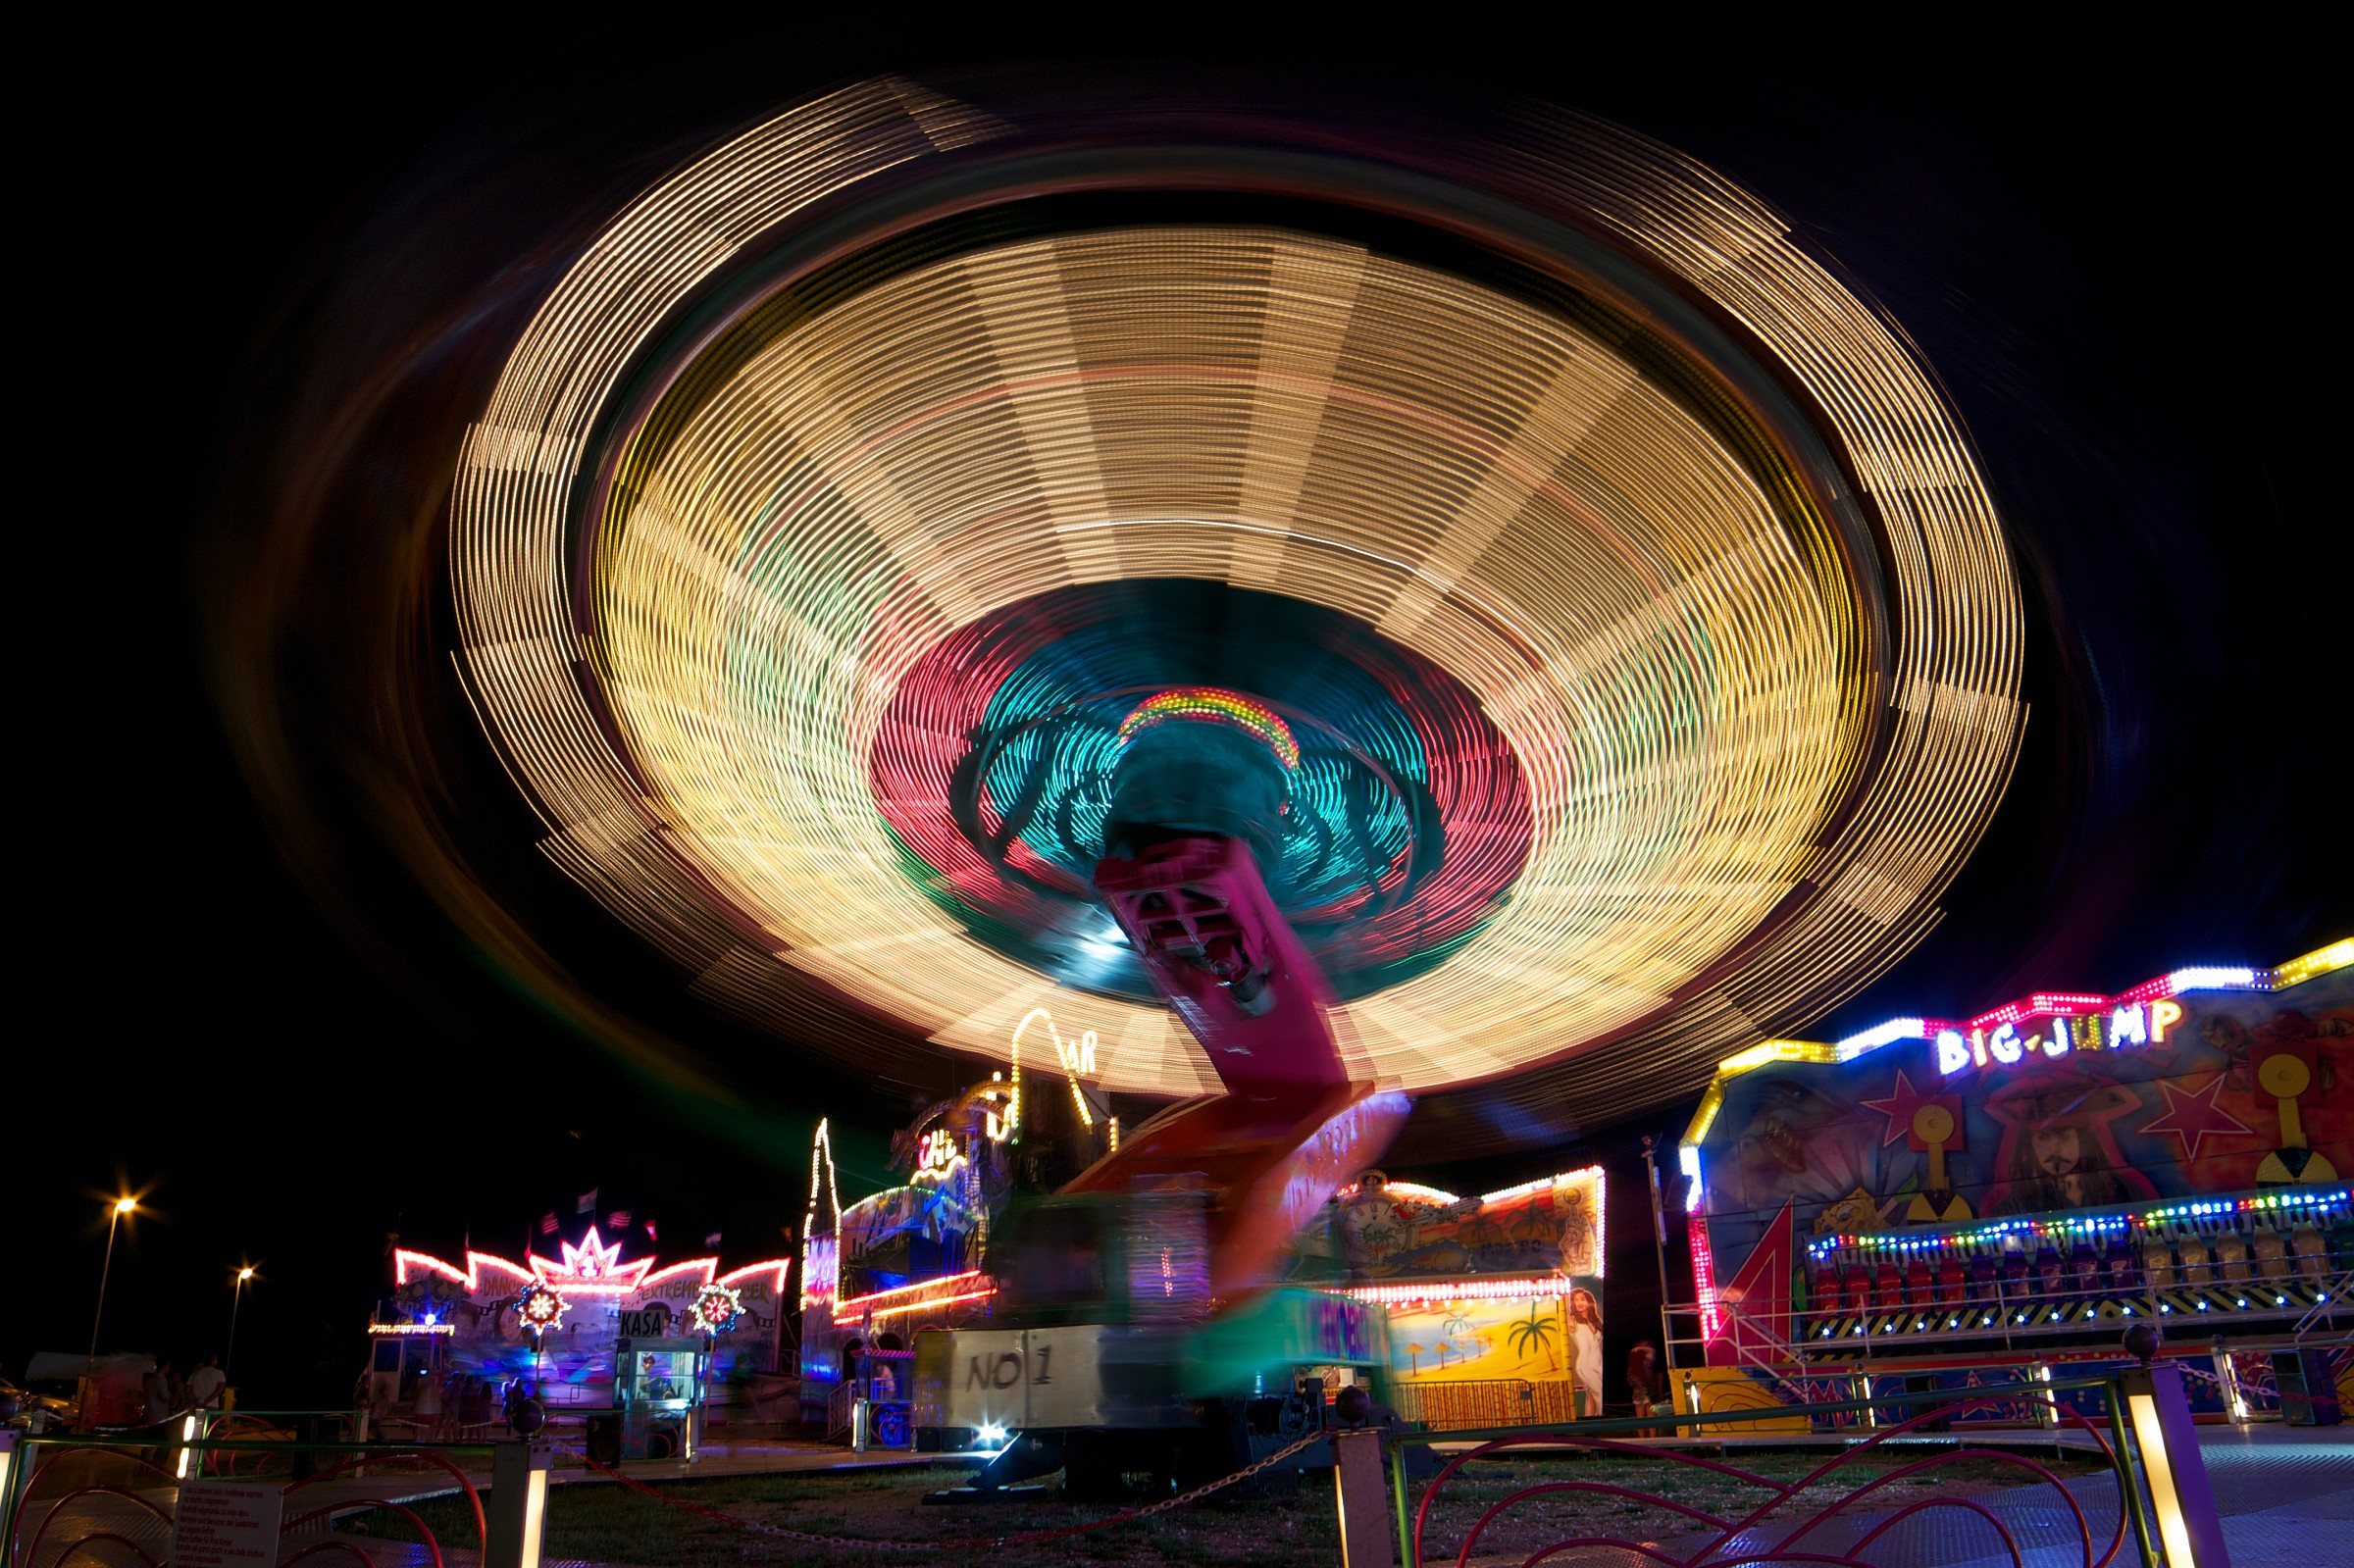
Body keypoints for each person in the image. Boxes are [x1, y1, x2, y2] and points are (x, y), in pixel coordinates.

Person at [1566, 1290, 1605, 1420]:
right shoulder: (1572, 1319)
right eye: (1576, 1300)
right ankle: (1603, 1422)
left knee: (1591, 1394)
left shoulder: (1596, 1321)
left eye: (1582, 1299)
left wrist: (1589, 1320)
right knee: (1599, 1391)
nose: (1579, 1303)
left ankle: (1589, 1421)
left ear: (1589, 1302)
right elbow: (1570, 1328)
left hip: (1597, 1361)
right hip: (1585, 1363)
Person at [142, 1359, 178, 1424]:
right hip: (158, 1416)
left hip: (150, 1413)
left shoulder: (152, 1378)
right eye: (168, 1366)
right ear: (165, 1366)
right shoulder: (161, 1380)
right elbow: (164, 1396)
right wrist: (174, 1392)